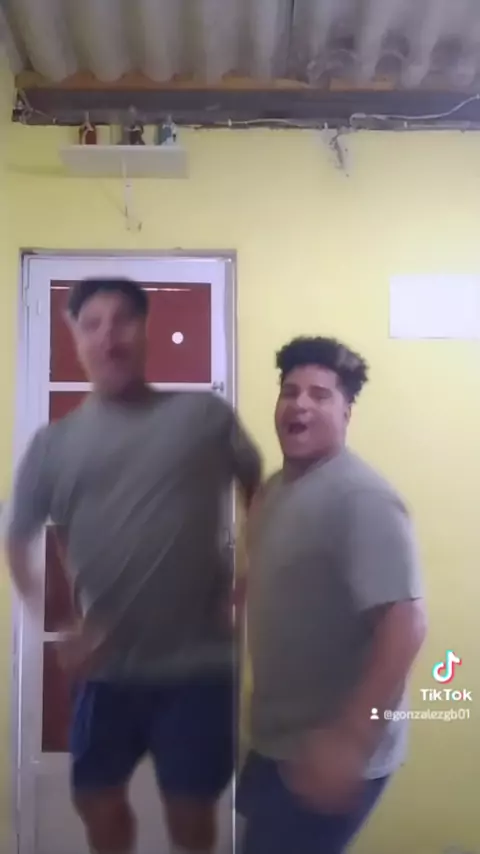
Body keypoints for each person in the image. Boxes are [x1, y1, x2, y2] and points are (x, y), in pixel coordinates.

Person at [6, 277, 262, 854]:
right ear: (76, 339)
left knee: (192, 815)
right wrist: (60, 621)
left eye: (123, 319)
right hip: (106, 671)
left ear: (146, 330)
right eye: (92, 324)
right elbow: (18, 539)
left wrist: (248, 581)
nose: (109, 336)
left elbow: (259, 491)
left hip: (196, 668)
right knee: (96, 802)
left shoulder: (204, 416)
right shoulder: (52, 446)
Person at [236, 336, 427, 854]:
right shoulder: (274, 490)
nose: (299, 404)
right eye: (290, 391)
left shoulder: (363, 499)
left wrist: (351, 739)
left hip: (334, 751)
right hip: (277, 739)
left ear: (347, 412)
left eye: (320, 394)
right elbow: (273, 573)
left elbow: (405, 623)